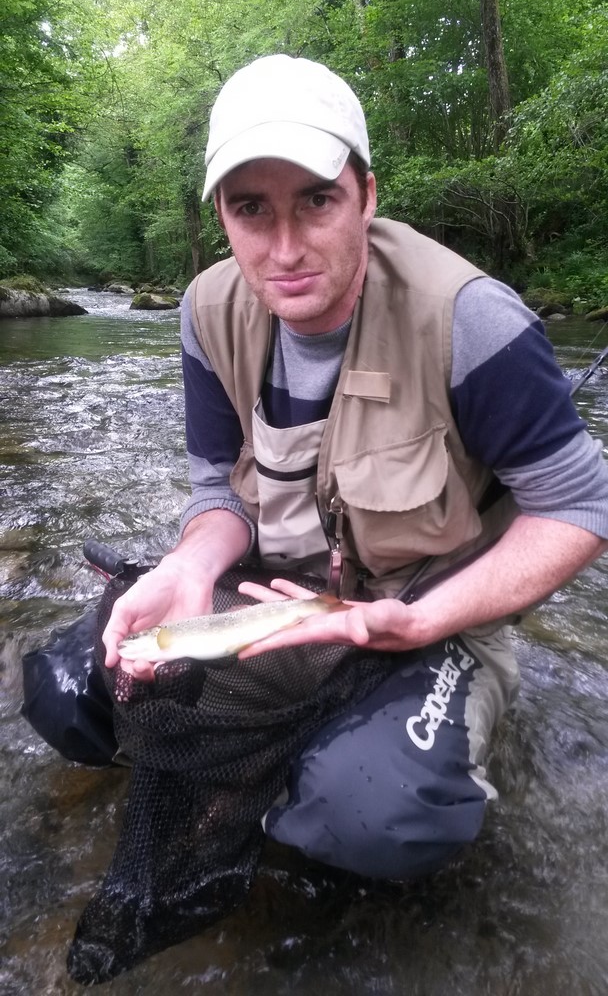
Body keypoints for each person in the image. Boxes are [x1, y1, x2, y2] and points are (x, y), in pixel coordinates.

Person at [103, 54, 608, 881]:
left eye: (317, 200)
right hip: (281, 603)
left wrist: (419, 620)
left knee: (375, 818)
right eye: (251, 208)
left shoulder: (472, 320)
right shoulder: (205, 313)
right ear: (221, 215)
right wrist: (190, 567)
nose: (285, 248)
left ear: (367, 197)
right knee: (82, 689)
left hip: (433, 617)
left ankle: (360, 766)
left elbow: (580, 507)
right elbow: (216, 491)